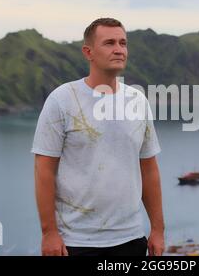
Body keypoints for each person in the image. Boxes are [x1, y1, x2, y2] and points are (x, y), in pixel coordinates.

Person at [31, 18, 165, 256]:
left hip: (132, 239)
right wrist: (49, 232)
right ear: (88, 52)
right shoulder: (62, 100)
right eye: (110, 43)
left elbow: (149, 169)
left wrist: (158, 229)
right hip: (77, 242)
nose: (119, 49)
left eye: (123, 43)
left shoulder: (138, 101)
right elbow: (44, 170)